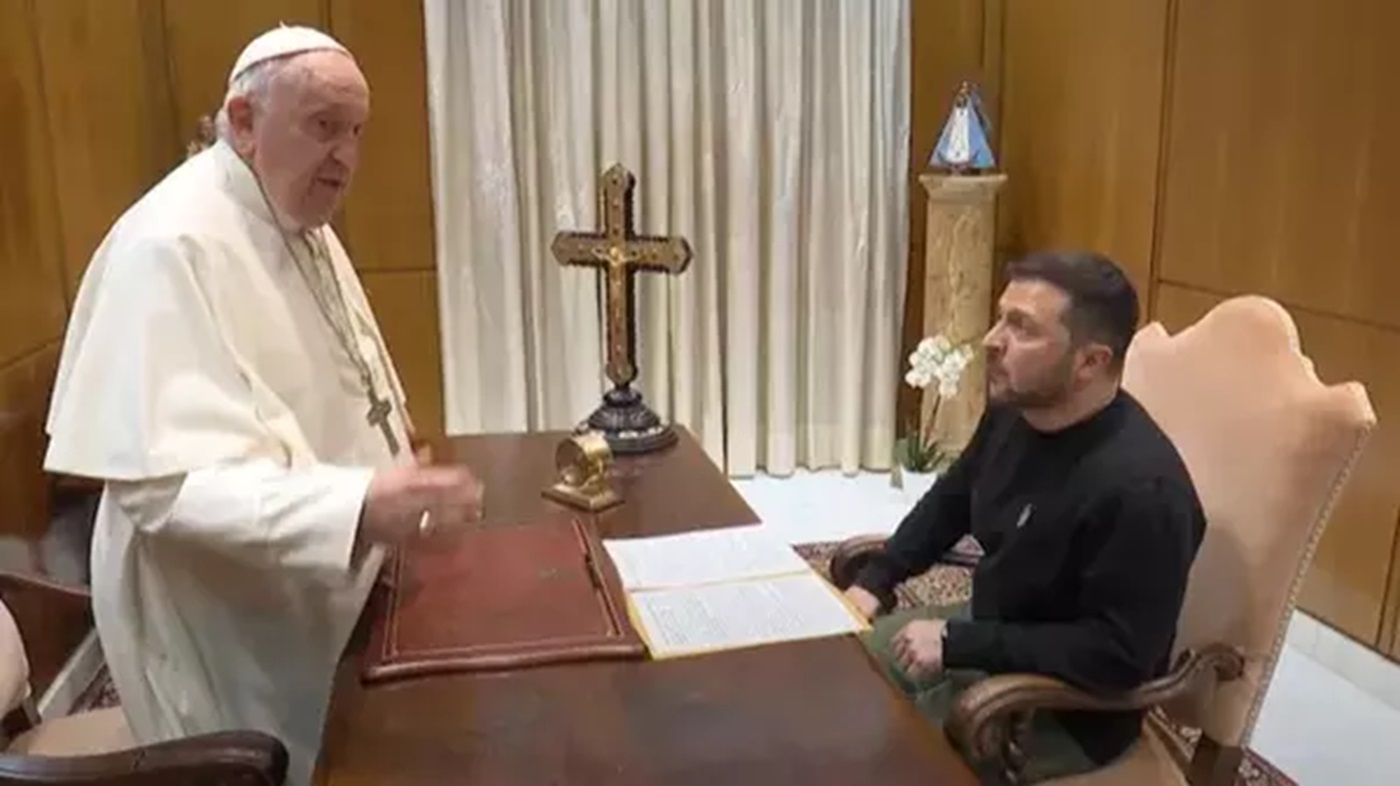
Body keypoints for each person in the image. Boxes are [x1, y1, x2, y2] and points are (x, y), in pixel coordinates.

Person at [43, 26, 481, 786]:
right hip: (217, 608)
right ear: (243, 122)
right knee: (295, 759)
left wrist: (393, 462)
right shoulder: (168, 245)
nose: (345, 156)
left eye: (356, 132)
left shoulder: (294, 211)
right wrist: (358, 505)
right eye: (324, 125)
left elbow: (348, 367)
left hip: (326, 578)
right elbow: (161, 489)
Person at [843, 250, 1206, 782]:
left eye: (1022, 328)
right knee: (836, 674)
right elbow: (954, 496)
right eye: (1000, 318)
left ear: (1090, 362)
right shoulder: (1016, 410)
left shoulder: (1143, 492)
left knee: (865, 755)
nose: (992, 340)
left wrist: (959, 643)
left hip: (1063, 709)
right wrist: (877, 579)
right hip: (995, 632)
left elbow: (1119, 655)